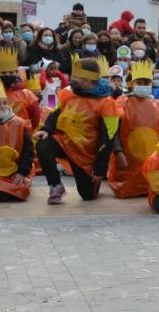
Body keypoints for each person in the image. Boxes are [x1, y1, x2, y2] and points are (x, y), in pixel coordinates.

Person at [34, 57, 121, 205]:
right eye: (75, 77)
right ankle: (55, 185)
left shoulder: (107, 103)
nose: (75, 81)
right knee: (43, 145)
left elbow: (109, 137)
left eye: (80, 79)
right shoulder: (69, 92)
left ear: (91, 81)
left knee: (88, 196)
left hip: (86, 154)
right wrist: (46, 130)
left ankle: (93, 183)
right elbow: (56, 112)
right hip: (64, 141)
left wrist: (100, 168)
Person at [107, 60, 159, 199]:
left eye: (147, 83)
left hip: (150, 156)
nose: (143, 86)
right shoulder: (121, 103)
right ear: (132, 84)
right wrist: (118, 152)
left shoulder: (158, 106)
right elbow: (112, 131)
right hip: (127, 157)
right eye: (140, 82)